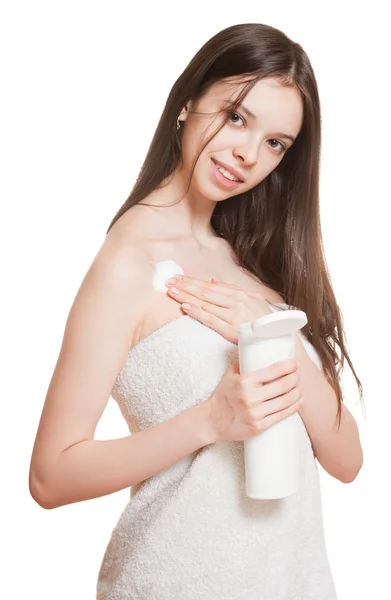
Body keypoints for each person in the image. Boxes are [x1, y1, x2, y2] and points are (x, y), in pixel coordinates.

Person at [29, 22, 364, 600]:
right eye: (236, 115)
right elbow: (51, 476)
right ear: (188, 102)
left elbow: (346, 458)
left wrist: (282, 348)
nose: (248, 153)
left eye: (276, 143)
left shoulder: (252, 262)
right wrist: (210, 421)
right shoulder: (129, 264)